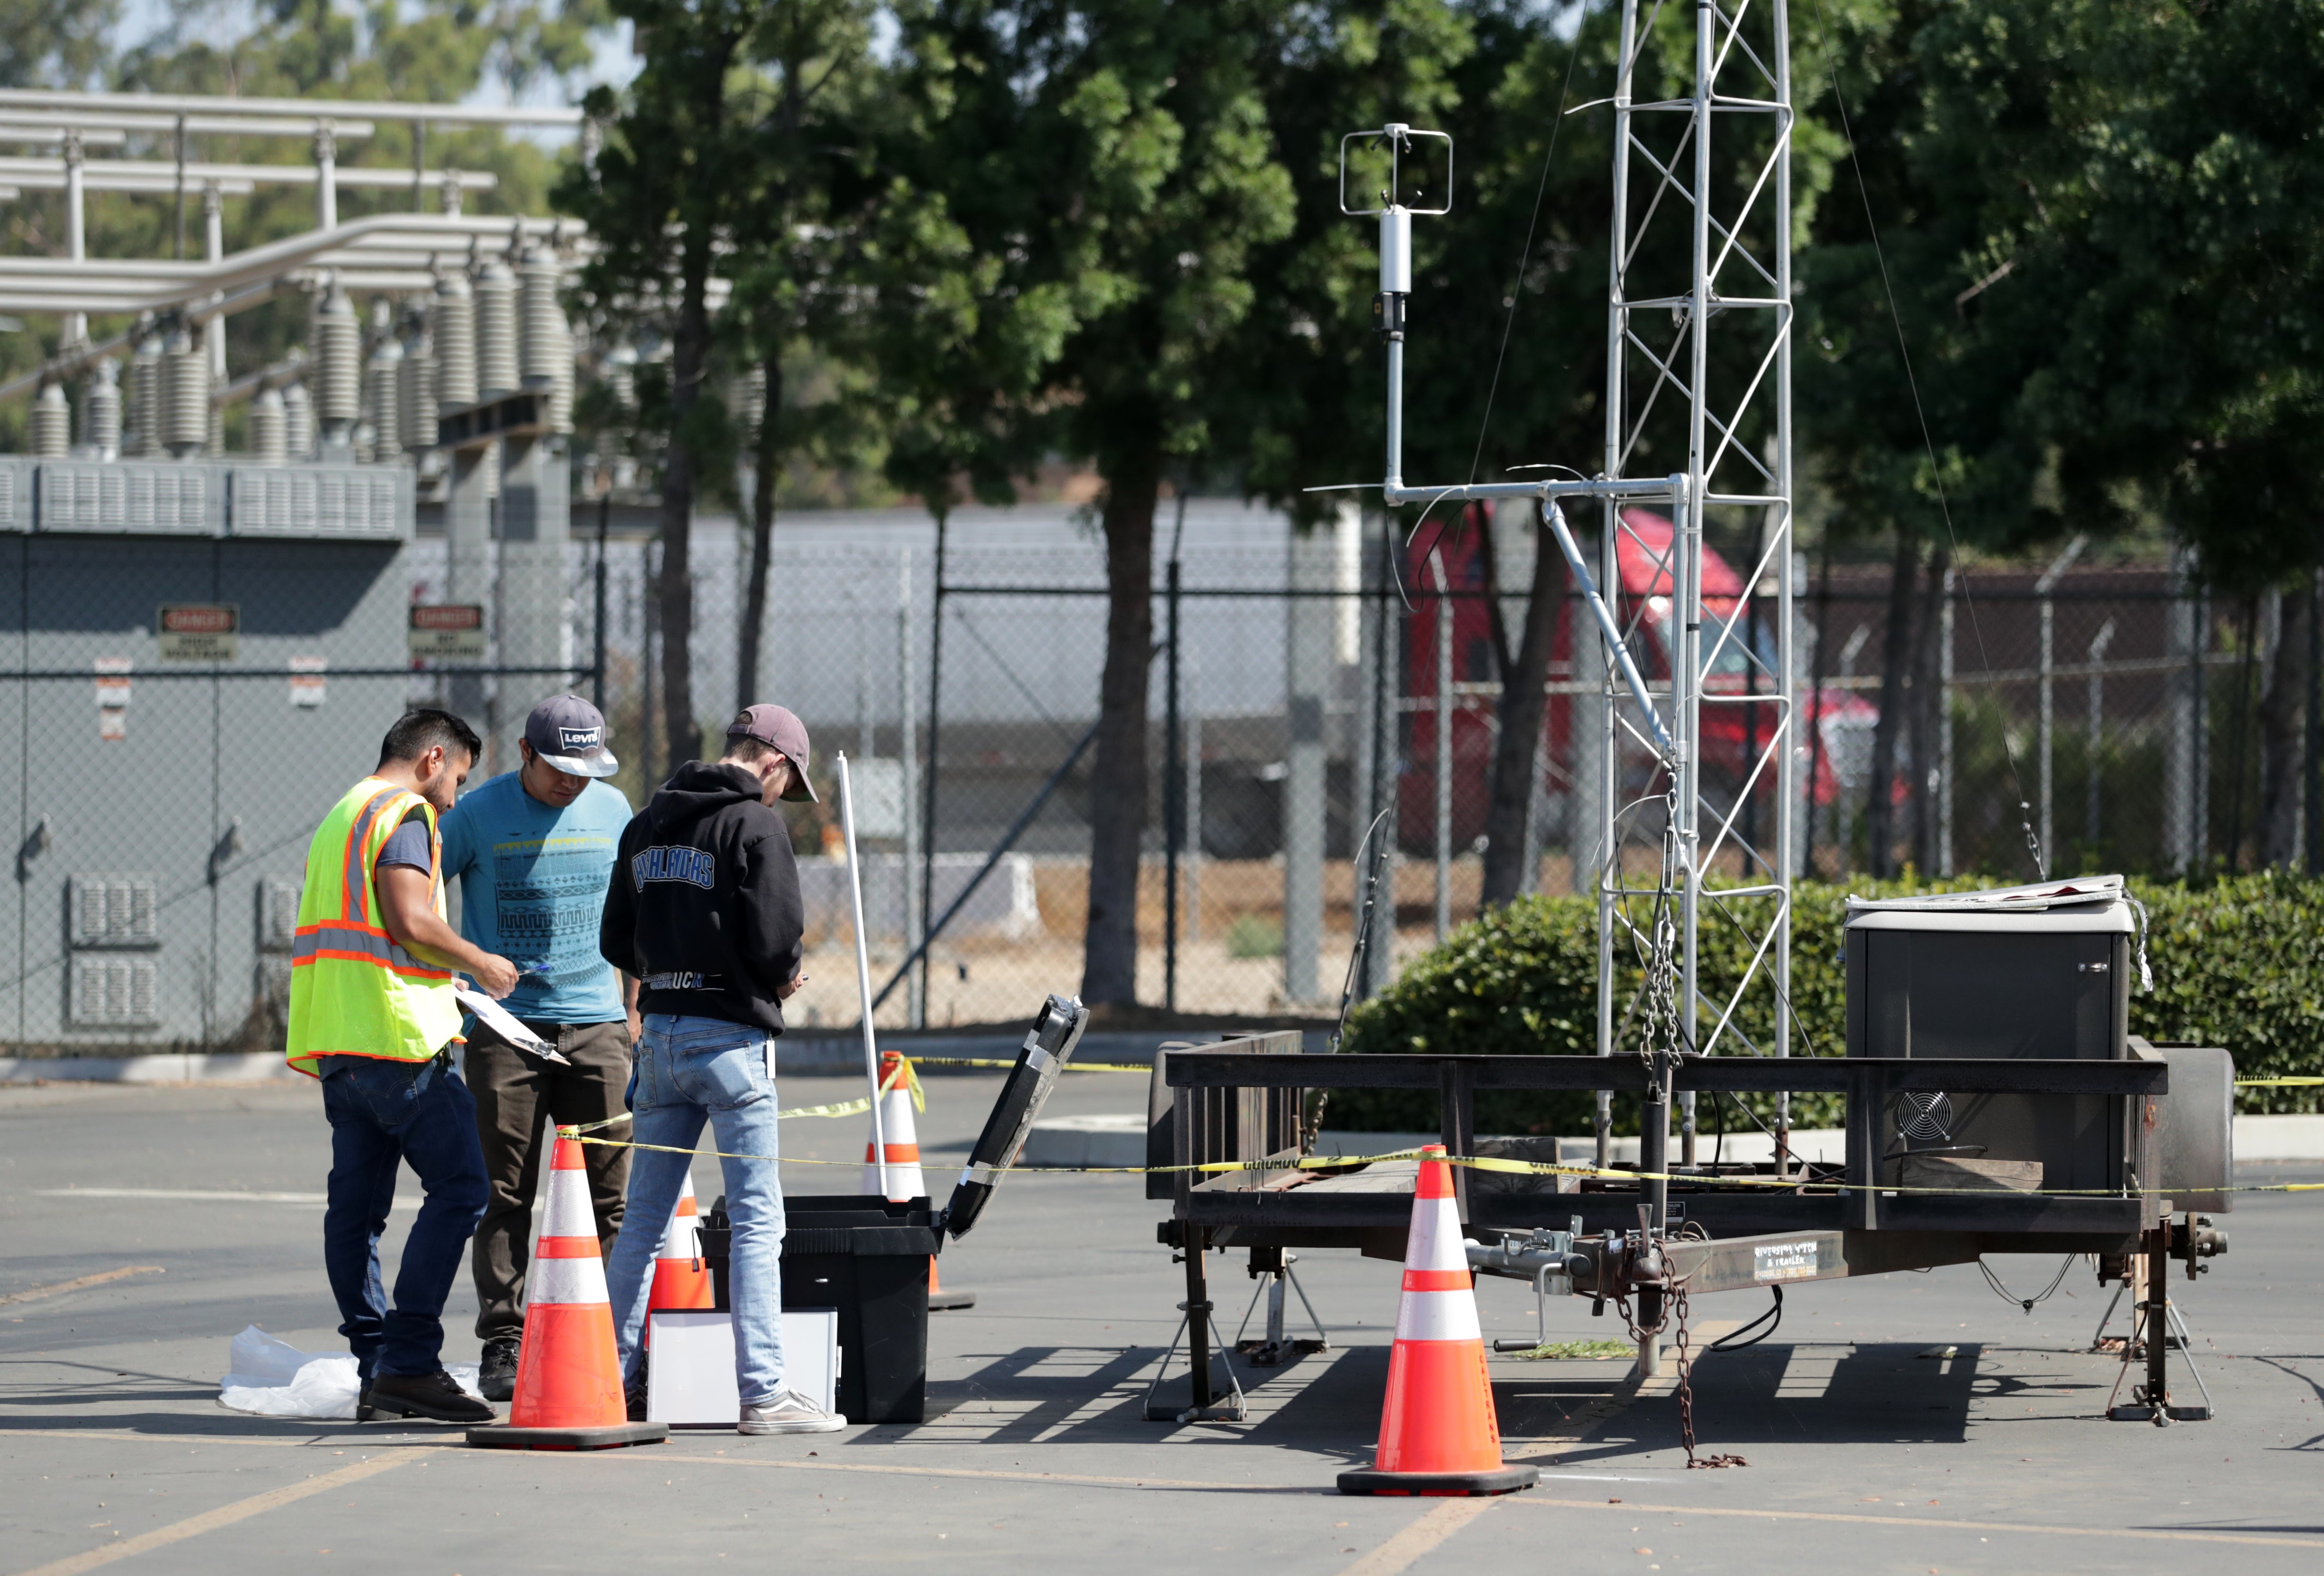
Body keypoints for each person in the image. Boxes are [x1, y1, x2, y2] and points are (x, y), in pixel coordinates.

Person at [598, 704, 844, 1435]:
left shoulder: (645, 825)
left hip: (660, 1037)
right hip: (732, 1041)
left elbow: (617, 935)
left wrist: (670, 969)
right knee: (758, 1223)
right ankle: (764, 1393)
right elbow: (776, 939)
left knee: (642, 1222)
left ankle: (610, 1378)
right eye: (786, 783)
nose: (782, 799)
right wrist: (780, 976)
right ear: (771, 762)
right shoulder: (754, 826)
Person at [285, 708, 517, 1425]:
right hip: (400, 1045)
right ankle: (410, 1363)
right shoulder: (405, 813)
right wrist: (480, 962)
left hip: (340, 1046)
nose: (454, 797)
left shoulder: (342, 813)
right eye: (456, 778)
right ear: (432, 759)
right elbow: (410, 919)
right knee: (464, 1188)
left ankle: (375, 1365)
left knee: (355, 1214)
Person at [438, 695, 639, 1403]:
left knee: (614, 1192)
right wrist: (460, 978)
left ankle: (602, 1330)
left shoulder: (615, 812)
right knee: (502, 1191)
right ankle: (505, 1336)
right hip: (505, 1032)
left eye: (585, 768)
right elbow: (421, 894)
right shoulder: (475, 816)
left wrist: (633, 1010)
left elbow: (633, 915)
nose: (572, 782)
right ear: (523, 753)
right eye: (558, 768)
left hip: (599, 1025)